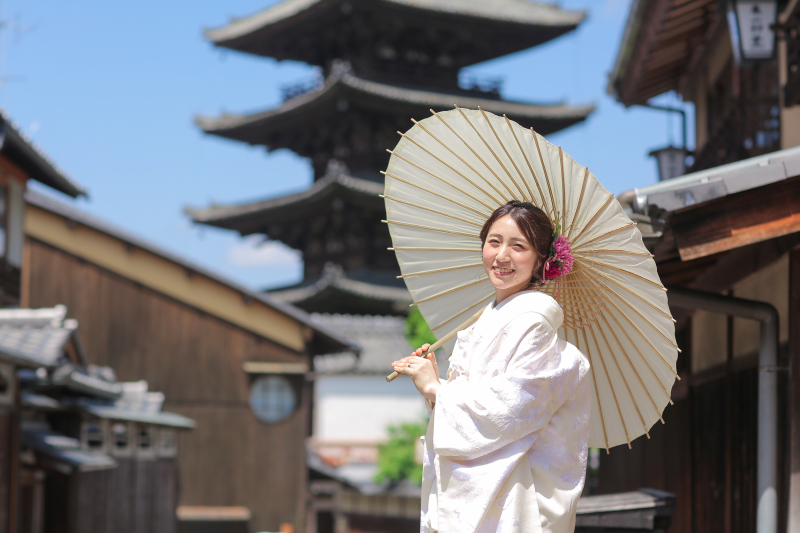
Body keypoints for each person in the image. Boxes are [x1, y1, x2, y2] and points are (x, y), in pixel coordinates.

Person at [392, 200, 591, 533]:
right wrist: (437, 386)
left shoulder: (534, 322)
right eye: (494, 242)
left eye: (519, 246)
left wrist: (437, 390)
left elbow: (510, 412)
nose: (502, 256)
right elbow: (471, 410)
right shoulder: (489, 317)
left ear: (542, 259)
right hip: (477, 487)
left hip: (512, 491)